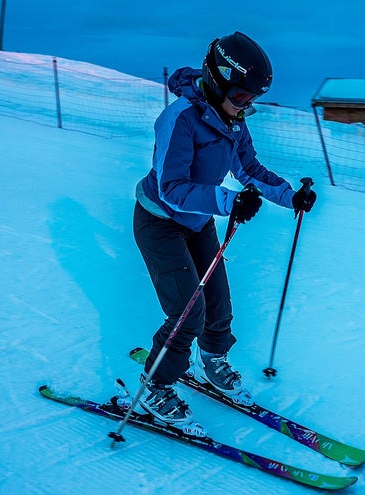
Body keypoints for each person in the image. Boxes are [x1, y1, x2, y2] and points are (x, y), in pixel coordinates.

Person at [132, 31, 317, 432]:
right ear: (217, 80)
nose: (245, 107)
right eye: (240, 97)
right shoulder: (179, 119)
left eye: (251, 100)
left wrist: (290, 196)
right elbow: (172, 188)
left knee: (218, 304)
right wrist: (228, 202)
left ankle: (213, 361)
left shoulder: (231, 122)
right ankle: (155, 388)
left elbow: (249, 169)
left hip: (197, 223)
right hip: (159, 222)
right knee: (187, 312)